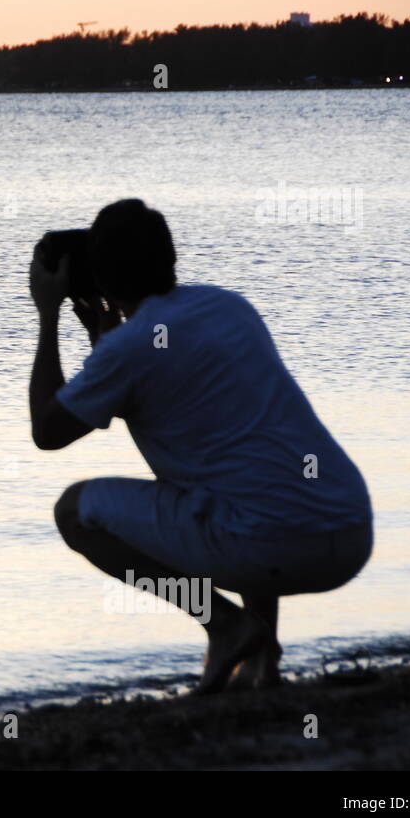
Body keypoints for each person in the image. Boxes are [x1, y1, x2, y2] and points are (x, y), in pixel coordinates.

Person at [28, 199, 372, 693]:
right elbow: (169, 382)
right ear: (168, 259)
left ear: (102, 278)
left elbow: (47, 430)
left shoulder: (129, 350)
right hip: (348, 529)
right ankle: (262, 667)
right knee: (247, 476)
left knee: (74, 512)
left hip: (276, 542)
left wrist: (47, 316)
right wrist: (105, 342)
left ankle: (225, 625)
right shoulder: (227, 306)